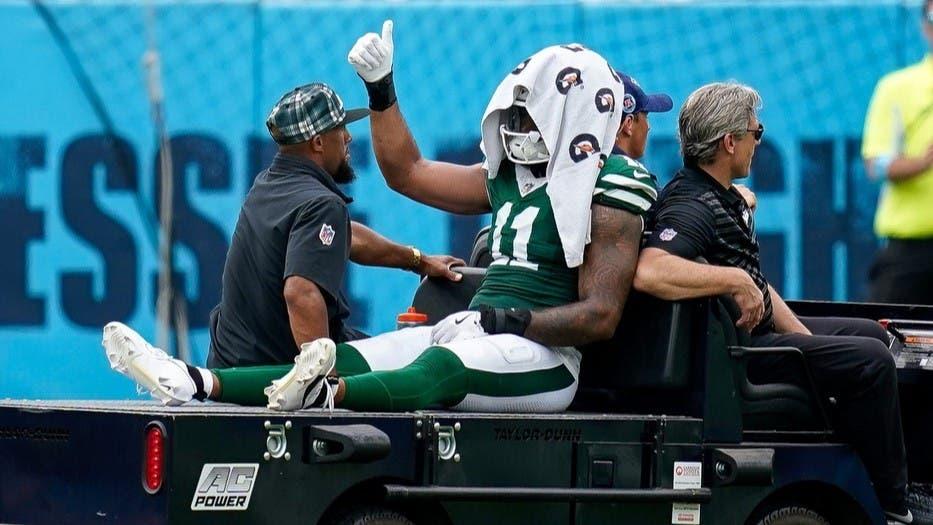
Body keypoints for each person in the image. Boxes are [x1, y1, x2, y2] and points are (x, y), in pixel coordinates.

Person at [255, 26, 656, 412]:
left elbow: (600, 316)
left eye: (532, 111)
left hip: (545, 355)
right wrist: (381, 90)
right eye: (518, 108)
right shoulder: (508, 176)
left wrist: (506, 320)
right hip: (482, 331)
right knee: (349, 357)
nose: (518, 121)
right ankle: (203, 382)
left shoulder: (612, 182)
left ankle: (325, 396)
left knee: (439, 367)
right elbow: (408, 172)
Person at [634, 82, 912, 523]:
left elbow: (757, 285)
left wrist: (802, 339)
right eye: (755, 133)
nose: (757, 143)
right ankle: (896, 505)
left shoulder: (721, 195)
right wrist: (733, 278)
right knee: (873, 360)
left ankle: (884, 473)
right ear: (729, 143)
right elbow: (650, 269)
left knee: (872, 335)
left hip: (761, 340)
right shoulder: (693, 204)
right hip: (745, 356)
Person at [103, 82, 463, 406]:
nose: (349, 138)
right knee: (416, 361)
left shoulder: (270, 185)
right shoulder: (321, 203)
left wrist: (417, 260)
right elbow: (301, 293)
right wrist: (320, 389)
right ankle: (193, 379)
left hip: (231, 361)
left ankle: (191, 378)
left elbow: (345, 237)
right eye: (341, 128)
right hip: (276, 373)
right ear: (318, 142)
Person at [861, 0, 933, 305]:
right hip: (908, 252)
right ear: (924, 26)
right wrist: (922, 162)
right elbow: (875, 164)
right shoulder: (897, 86)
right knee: (885, 347)